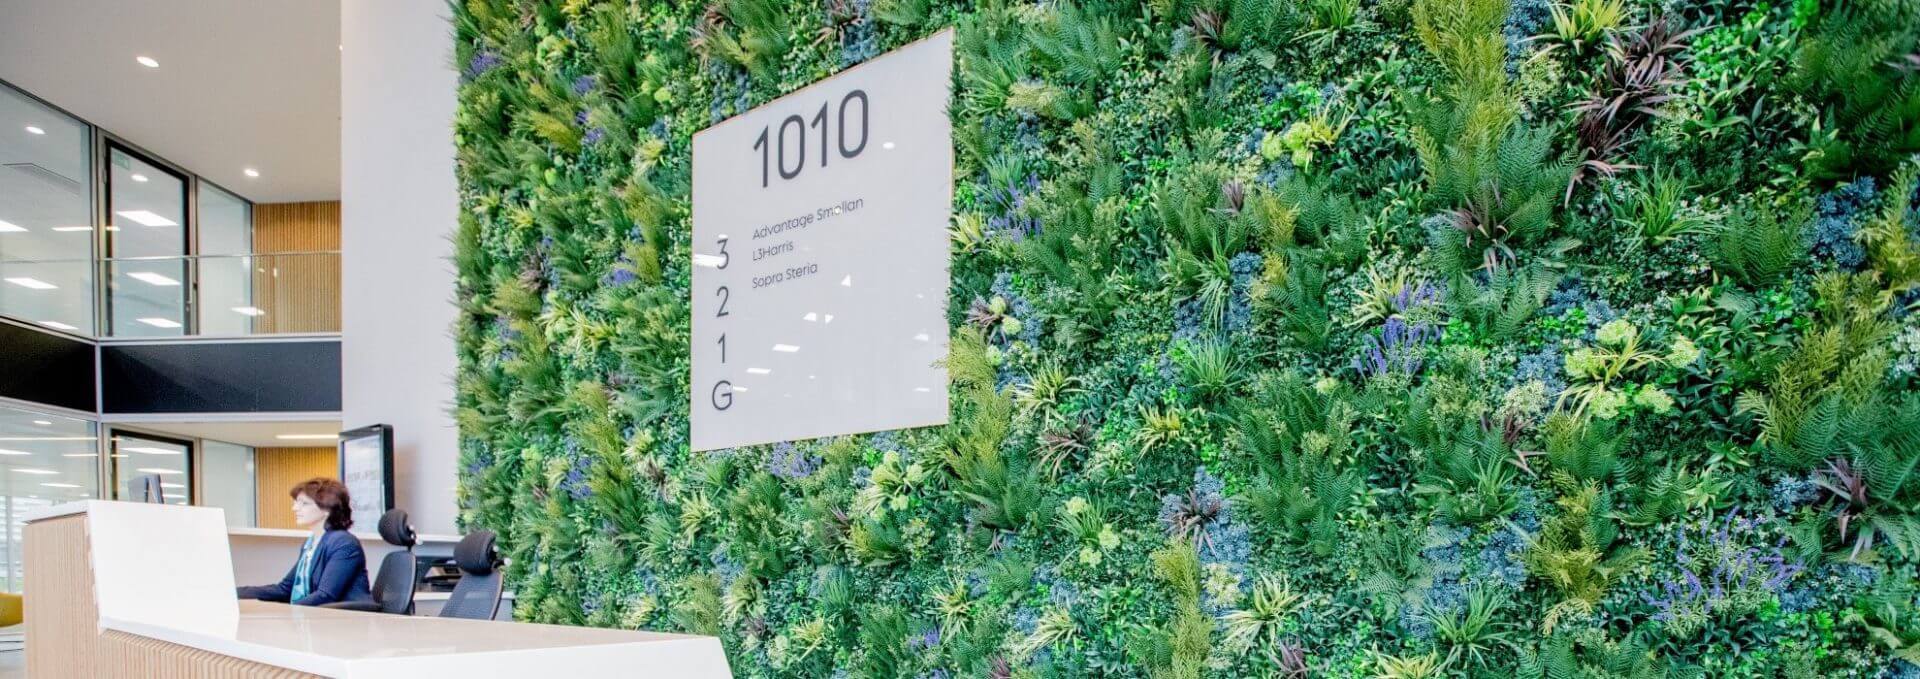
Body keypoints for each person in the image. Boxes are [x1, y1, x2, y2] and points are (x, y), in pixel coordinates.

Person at [236, 477, 372, 606]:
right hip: (318, 618)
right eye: (296, 502)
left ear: (327, 508)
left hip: (346, 621)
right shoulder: (311, 544)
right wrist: (234, 592)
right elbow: (284, 589)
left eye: (304, 504)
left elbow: (326, 595)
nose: (295, 508)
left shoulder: (343, 543)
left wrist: (290, 612)